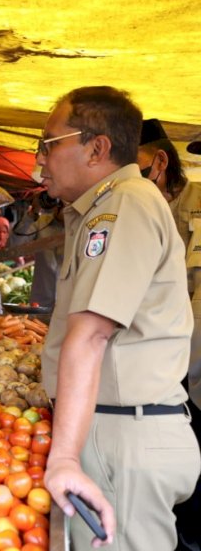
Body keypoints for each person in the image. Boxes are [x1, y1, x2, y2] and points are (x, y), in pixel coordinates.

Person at [35, 86, 200, 549]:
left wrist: (64, 456)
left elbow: (90, 336)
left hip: (123, 436)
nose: (40, 159)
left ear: (97, 148)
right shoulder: (105, 208)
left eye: (48, 144)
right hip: (118, 429)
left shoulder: (123, 204)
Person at [136, 120, 201, 550]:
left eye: (139, 172)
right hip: (174, 355)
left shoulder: (196, 200)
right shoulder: (148, 205)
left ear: (160, 162)